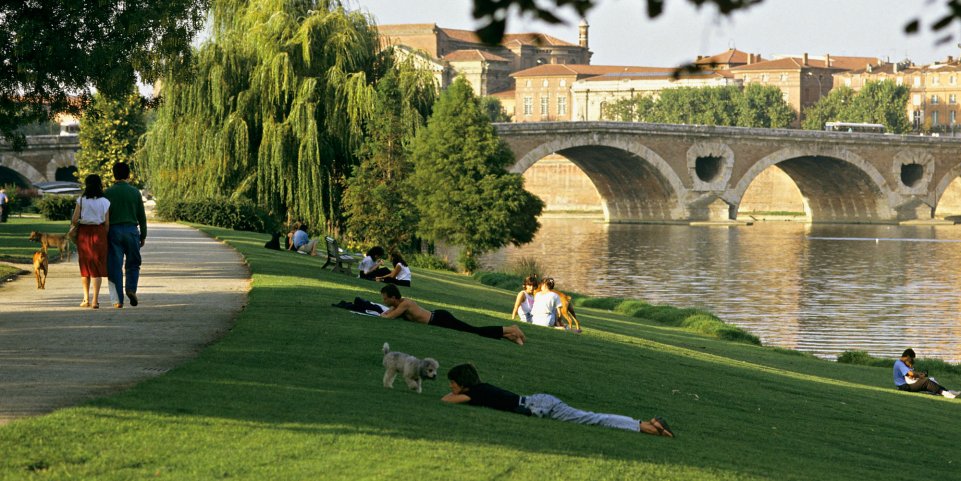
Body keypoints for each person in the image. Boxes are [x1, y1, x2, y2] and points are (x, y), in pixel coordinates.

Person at [441, 363, 675, 437]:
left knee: (592, 419)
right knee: (591, 418)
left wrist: (455, 393)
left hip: (538, 406)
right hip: (539, 402)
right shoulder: (481, 390)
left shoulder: (475, 393)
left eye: (453, 382)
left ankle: (646, 427)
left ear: (462, 382)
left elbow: (446, 400)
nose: (451, 387)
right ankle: (647, 424)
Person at [379, 284, 525, 345]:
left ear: (393, 297)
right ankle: (509, 336)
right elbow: (386, 314)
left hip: (441, 319)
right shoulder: (397, 305)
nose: (383, 301)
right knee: (474, 331)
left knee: (475, 330)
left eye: (385, 298)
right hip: (437, 318)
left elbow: (388, 317)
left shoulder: (405, 304)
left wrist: (385, 315)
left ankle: (511, 329)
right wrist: (385, 313)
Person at [104, 162, 147, 309]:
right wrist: (143, 235)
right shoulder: (135, 192)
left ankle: (117, 300)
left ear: (113, 174)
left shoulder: (107, 193)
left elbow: (104, 217)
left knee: (115, 266)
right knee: (133, 263)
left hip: (114, 231)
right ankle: (131, 288)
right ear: (128, 175)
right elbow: (142, 216)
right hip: (131, 230)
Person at [70, 174, 110, 308]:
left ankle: (86, 299)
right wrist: (105, 236)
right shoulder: (105, 201)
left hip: (84, 233)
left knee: (85, 265)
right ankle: (95, 300)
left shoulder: (81, 200)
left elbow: (74, 220)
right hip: (99, 233)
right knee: (97, 266)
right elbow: (107, 223)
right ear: (100, 184)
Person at [893, 348, 958, 398]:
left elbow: (910, 374)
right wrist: (919, 376)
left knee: (930, 380)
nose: (912, 360)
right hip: (905, 386)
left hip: (907, 384)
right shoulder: (899, 363)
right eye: (912, 358)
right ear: (908, 356)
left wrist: (919, 374)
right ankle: (945, 393)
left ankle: (947, 391)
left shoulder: (901, 363)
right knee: (926, 381)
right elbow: (911, 374)